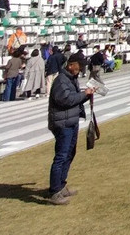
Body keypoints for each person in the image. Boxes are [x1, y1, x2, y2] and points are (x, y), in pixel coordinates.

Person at [46, 53, 95, 205]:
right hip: (63, 123)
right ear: (71, 64)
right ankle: (55, 191)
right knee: (61, 156)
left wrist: (86, 95)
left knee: (69, 153)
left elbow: (73, 99)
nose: (80, 69)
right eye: (79, 66)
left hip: (70, 120)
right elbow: (65, 100)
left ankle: (61, 185)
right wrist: (84, 94)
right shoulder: (61, 80)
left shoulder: (70, 79)